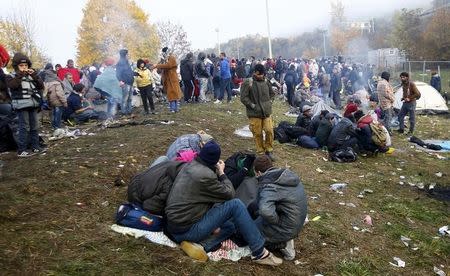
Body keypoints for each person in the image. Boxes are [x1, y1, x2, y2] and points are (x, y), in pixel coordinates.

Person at [165, 141, 283, 266]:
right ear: (215, 161)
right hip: (186, 229)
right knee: (236, 205)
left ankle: (200, 245)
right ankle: (260, 252)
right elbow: (229, 193)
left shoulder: (190, 166)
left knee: (229, 227)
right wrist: (221, 172)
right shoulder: (205, 175)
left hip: (173, 225)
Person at [249, 155, 307, 261]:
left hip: (286, 227)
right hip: (295, 220)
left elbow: (265, 211)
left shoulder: (270, 186)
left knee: (249, 234)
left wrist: (275, 221)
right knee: (254, 207)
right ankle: (284, 236)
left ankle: (282, 244)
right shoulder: (285, 176)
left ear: (259, 172)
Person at [6, 53, 45, 157]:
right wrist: (20, 74)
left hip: (33, 104)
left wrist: (35, 76)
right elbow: (13, 85)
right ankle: (21, 150)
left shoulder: (32, 76)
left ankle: (36, 147)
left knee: (34, 126)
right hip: (21, 105)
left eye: (26, 66)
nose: (24, 68)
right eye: (21, 66)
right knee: (24, 127)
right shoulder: (11, 76)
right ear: (16, 66)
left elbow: (41, 85)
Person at [240, 64, 276, 161]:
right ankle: (260, 152)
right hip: (254, 114)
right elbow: (243, 98)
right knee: (257, 133)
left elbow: (272, 94)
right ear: (255, 72)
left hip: (267, 112)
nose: (261, 76)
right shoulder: (248, 82)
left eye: (262, 74)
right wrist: (252, 105)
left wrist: (270, 103)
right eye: (259, 74)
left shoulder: (266, 81)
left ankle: (269, 150)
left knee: (269, 131)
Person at [154, 47, 182, 112]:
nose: (163, 54)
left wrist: (158, 65)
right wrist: (159, 65)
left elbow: (168, 65)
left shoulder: (172, 58)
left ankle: (175, 108)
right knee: (170, 94)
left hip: (173, 79)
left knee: (174, 93)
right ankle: (173, 108)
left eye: (164, 52)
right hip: (167, 80)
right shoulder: (163, 60)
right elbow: (159, 71)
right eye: (163, 53)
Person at [116, 49, 134, 115]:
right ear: (125, 55)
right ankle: (124, 112)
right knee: (125, 98)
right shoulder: (120, 63)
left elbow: (129, 72)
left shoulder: (127, 62)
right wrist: (120, 81)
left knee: (130, 98)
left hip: (130, 82)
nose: (128, 55)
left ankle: (129, 111)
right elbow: (117, 73)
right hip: (125, 83)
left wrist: (134, 74)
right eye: (127, 54)